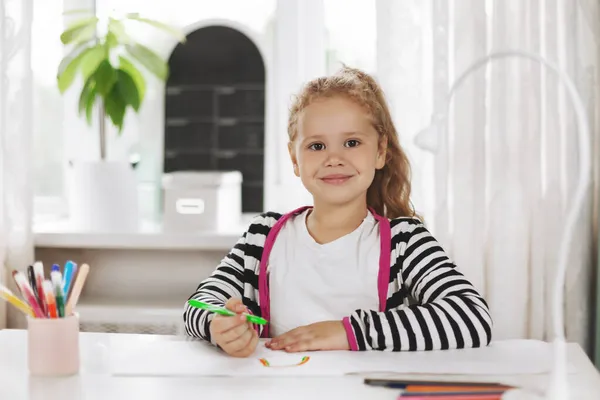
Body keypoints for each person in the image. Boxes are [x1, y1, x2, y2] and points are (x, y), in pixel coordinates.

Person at [183, 66, 492, 358]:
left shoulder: (405, 241)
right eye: (317, 146)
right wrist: (219, 326)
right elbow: (197, 304)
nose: (334, 158)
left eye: (352, 142)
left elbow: (471, 317)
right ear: (294, 158)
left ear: (380, 152)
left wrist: (347, 333)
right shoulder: (263, 236)